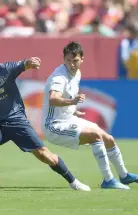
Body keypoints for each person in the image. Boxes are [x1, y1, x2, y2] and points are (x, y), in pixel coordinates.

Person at [0, 45, 90, 191]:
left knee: (45, 156)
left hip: (16, 122)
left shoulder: (5, 70)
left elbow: (23, 64)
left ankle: (74, 182)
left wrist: (31, 62)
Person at [42, 41, 138, 189]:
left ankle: (124, 176)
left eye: (75, 61)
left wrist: (72, 108)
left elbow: (63, 101)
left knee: (109, 139)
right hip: (53, 125)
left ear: (82, 59)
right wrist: (72, 101)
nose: (72, 64)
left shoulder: (77, 73)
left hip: (68, 118)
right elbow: (53, 99)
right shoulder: (59, 77)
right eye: (68, 60)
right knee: (95, 136)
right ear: (64, 59)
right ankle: (108, 180)